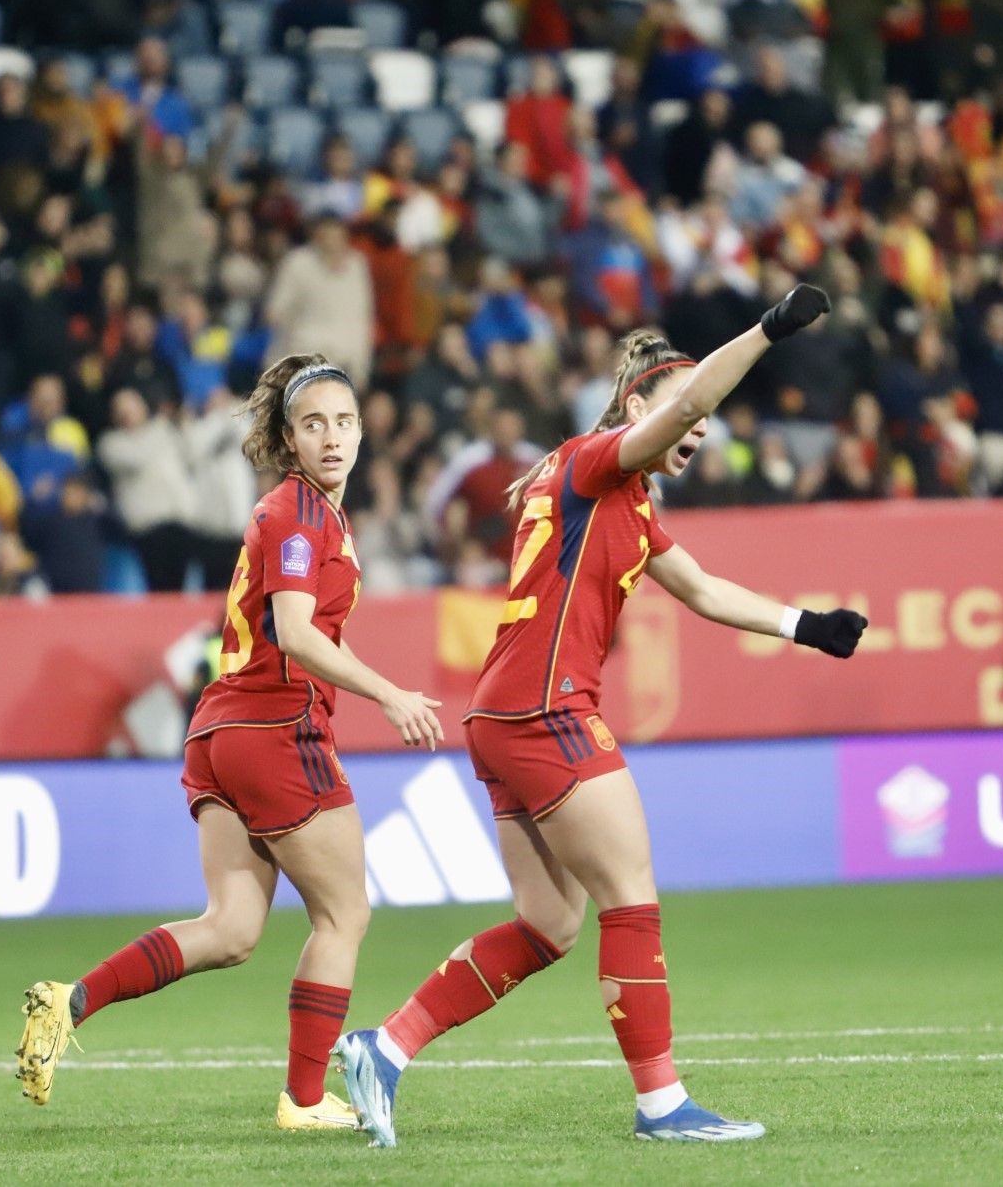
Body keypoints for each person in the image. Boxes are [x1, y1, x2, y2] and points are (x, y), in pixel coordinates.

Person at [334, 286, 868, 1147]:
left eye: (703, 427)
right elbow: (695, 396)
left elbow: (700, 589)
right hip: (547, 708)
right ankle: (662, 1104)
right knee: (632, 895)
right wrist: (769, 331)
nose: (700, 429)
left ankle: (384, 1049)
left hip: (503, 712)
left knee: (549, 924)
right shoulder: (598, 461)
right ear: (634, 405)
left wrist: (802, 625)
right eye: (684, 415)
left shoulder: (617, 491)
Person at [16, 354, 444, 1132]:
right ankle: (306, 1100)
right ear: (288, 436)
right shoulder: (299, 513)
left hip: (219, 730)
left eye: (344, 421)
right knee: (345, 913)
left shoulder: (307, 513)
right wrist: (390, 694)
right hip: (276, 726)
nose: (333, 436)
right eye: (313, 423)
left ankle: (69, 999)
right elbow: (295, 633)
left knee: (232, 929)